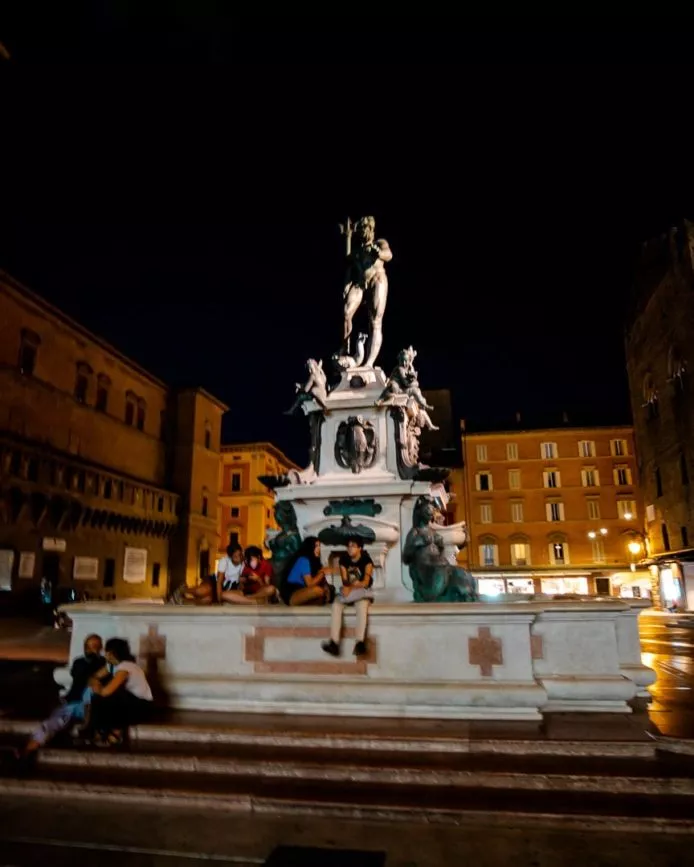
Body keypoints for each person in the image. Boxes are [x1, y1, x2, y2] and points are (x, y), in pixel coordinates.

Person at [14, 634, 106, 761]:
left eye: (95, 646)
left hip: (90, 705)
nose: (92, 649)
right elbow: (79, 675)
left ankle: (29, 750)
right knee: (52, 723)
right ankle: (29, 749)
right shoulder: (80, 662)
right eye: (89, 646)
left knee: (61, 718)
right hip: (74, 702)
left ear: (100, 647)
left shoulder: (104, 664)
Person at [84, 638, 153, 748]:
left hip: (142, 707)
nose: (104, 654)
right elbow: (93, 678)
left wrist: (97, 686)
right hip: (130, 703)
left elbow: (107, 691)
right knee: (100, 698)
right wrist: (95, 683)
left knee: (105, 698)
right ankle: (96, 732)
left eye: (106, 651)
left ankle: (109, 733)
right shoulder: (113, 666)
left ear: (112, 653)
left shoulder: (125, 667)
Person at [321, 537, 374, 658]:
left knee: (362, 605)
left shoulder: (367, 560)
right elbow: (345, 580)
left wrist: (353, 586)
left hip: (362, 591)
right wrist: (348, 587)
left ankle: (360, 642)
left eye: (353, 546)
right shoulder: (344, 559)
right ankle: (334, 643)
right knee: (336, 605)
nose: (350, 548)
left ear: (359, 548)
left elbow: (366, 581)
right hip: (349, 591)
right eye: (348, 546)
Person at [281, 536, 334, 606]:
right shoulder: (303, 560)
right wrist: (323, 572)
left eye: (319, 546)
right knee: (318, 591)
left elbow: (323, 583)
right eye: (316, 546)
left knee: (325, 593)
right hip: (292, 594)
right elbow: (310, 584)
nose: (319, 548)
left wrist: (328, 589)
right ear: (310, 547)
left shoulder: (315, 563)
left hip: (304, 592)